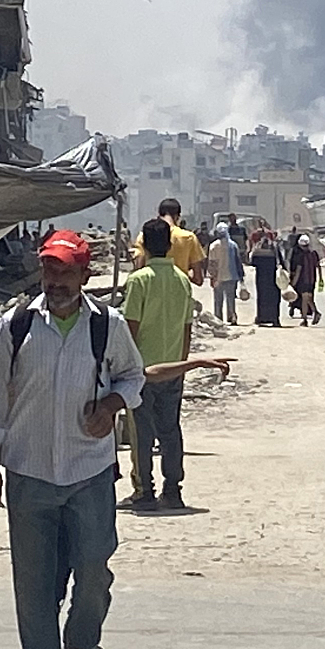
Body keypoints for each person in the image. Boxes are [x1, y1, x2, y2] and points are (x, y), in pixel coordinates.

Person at [0, 229, 146, 649]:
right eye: (50, 270)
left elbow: (133, 376)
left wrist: (111, 404)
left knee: (93, 569)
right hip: (29, 470)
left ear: (83, 276)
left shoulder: (105, 326)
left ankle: (79, 646)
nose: (55, 281)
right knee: (34, 580)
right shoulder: (16, 325)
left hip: (89, 470)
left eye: (65, 272)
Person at [120, 218, 195, 511]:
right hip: (174, 367)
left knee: (141, 432)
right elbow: (187, 327)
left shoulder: (138, 280)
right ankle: (173, 490)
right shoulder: (181, 279)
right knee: (170, 430)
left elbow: (130, 328)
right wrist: (183, 364)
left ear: (145, 246)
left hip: (142, 370)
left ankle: (144, 491)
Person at [132, 198, 206, 285]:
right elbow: (198, 279)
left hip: (150, 292)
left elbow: (139, 267)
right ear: (177, 217)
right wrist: (184, 274)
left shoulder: (144, 236)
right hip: (179, 293)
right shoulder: (189, 238)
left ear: (159, 214)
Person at [206, 221, 243, 324]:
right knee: (231, 299)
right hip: (231, 276)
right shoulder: (233, 245)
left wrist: (212, 277)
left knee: (218, 300)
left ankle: (218, 319)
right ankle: (232, 317)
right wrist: (241, 277)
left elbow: (212, 263)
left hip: (218, 277)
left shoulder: (213, 246)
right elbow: (238, 261)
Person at [251, 228, 284, 327]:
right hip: (273, 279)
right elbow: (281, 261)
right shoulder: (275, 247)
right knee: (274, 299)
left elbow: (252, 261)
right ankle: (275, 319)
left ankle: (261, 318)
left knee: (261, 298)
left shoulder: (258, 247)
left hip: (261, 279)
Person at [288, 233, 322, 326]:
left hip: (303, 280)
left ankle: (305, 319)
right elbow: (318, 266)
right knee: (308, 298)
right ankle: (316, 313)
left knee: (304, 299)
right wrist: (321, 278)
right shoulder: (314, 254)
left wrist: (293, 283)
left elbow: (298, 270)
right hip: (312, 280)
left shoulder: (300, 255)